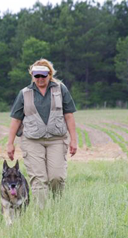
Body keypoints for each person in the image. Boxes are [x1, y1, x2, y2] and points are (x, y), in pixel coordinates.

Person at [7, 58, 77, 209]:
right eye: (36, 75)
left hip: (57, 139)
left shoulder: (60, 89)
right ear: (32, 75)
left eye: (43, 76)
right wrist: (10, 143)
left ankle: (58, 207)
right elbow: (15, 120)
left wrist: (74, 140)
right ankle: (42, 213)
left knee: (56, 177)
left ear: (49, 75)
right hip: (32, 140)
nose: (39, 79)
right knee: (39, 179)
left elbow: (69, 115)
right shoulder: (24, 93)